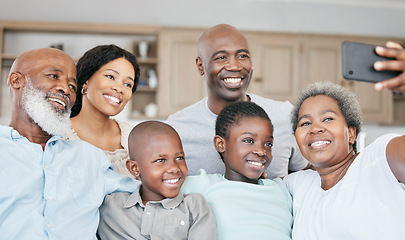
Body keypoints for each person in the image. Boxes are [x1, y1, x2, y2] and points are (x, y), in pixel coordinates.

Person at [0, 48, 139, 240]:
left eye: (72, 86)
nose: (65, 89)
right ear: (17, 80)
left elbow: (146, 192)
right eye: (53, 76)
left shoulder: (90, 156)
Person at [166, 24, 309, 178]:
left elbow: (307, 174)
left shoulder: (286, 116)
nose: (234, 66)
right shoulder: (177, 129)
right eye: (221, 57)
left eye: (242, 56)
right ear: (201, 66)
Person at [284, 81, 405, 240]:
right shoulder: (297, 184)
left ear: (351, 133)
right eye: (305, 123)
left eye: (327, 119)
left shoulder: (379, 158)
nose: (315, 128)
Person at [182, 101, 293, 240]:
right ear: (221, 144)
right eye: (249, 140)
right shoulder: (202, 184)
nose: (261, 151)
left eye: (268, 144)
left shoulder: (282, 189)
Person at [98, 121, 217, 240]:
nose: (174, 168)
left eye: (179, 158)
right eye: (160, 160)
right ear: (134, 168)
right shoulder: (111, 206)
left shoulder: (194, 206)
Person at [65, 44, 140, 177]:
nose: (119, 88)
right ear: (86, 81)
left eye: (128, 84)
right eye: (111, 77)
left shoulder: (133, 138)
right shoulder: (58, 136)